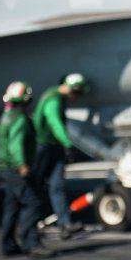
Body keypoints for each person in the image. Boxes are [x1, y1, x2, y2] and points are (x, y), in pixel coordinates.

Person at [0, 81, 56, 259]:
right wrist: (22, 165)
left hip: (6, 169)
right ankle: (32, 244)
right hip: (17, 170)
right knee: (33, 203)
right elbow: (16, 145)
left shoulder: (6, 116)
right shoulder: (20, 119)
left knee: (12, 207)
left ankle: (7, 245)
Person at [34, 73, 90, 240]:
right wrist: (67, 143)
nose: (77, 97)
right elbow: (54, 122)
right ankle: (30, 226)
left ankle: (65, 225)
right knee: (35, 187)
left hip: (54, 146)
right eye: (77, 92)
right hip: (43, 146)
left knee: (57, 186)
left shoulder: (60, 98)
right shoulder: (53, 99)